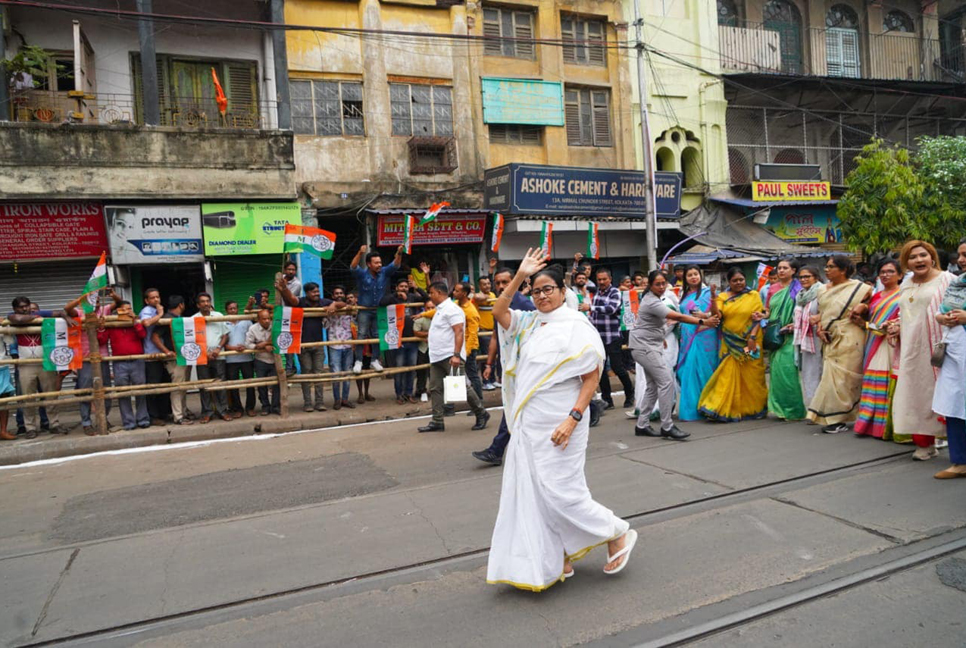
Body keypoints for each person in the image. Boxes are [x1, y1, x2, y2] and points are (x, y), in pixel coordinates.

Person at [486, 249, 637, 591]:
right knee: (536, 492)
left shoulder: (575, 326)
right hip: (529, 425)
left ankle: (617, 532)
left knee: (562, 491)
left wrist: (571, 420)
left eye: (547, 289)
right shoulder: (528, 323)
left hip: (564, 423)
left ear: (562, 291)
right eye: (535, 291)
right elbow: (498, 311)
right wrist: (522, 274)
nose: (541, 296)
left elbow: (591, 378)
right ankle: (559, 556)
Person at [631, 270, 717, 440]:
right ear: (650, 285)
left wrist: (660, 336)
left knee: (653, 386)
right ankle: (667, 426)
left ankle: (642, 424)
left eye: (664, 283)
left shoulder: (657, 298)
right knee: (666, 382)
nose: (662, 287)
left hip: (649, 345)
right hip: (644, 347)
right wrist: (703, 321)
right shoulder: (651, 301)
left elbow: (656, 324)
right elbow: (676, 316)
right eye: (657, 284)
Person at [890, 240, 953, 459]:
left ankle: (953, 445)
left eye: (923, 255)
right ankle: (924, 444)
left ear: (932, 257)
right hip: (911, 349)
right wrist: (896, 325)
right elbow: (905, 312)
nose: (918, 260)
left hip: (940, 349)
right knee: (914, 394)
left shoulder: (947, 280)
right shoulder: (906, 284)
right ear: (906, 263)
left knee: (941, 394)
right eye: (912, 257)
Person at [472, 267, 536, 466]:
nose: (501, 287)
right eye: (497, 283)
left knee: (516, 405)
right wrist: (489, 364)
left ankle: (497, 449)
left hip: (524, 366)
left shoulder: (524, 304)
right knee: (516, 405)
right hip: (507, 364)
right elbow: (494, 336)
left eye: (505, 282)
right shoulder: (500, 305)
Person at [806, 256, 873, 433]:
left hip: (850, 336)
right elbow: (823, 312)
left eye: (831, 267)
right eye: (826, 267)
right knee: (830, 376)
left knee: (845, 378)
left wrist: (863, 308)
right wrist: (820, 329)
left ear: (843, 270)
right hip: (829, 337)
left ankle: (837, 417)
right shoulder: (822, 290)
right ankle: (833, 416)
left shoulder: (860, 289)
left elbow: (872, 306)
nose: (826, 270)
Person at [416, 281, 490, 433]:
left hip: (450, 356)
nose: (430, 296)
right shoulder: (440, 310)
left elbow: (459, 332)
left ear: (439, 293)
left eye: (432, 293)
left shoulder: (452, 310)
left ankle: (481, 413)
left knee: (460, 386)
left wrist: (456, 355)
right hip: (437, 356)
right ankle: (437, 420)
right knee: (435, 388)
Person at [698, 268, 768, 422]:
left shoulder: (753, 295)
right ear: (729, 282)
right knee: (727, 374)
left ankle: (754, 409)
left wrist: (753, 337)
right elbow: (718, 316)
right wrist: (713, 297)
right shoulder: (723, 296)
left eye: (741, 280)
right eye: (735, 280)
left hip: (750, 343)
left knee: (751, 374)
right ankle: (718, 407)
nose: (739, 283)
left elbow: (757, 318)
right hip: (730, 343)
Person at [851, 260, 901, 439]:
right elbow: (868, 314)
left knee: (884, 384)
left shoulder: (903, 296)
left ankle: (884, 427)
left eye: (890, 271)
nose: (886, 275)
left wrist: (865, 325)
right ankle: (867, 424)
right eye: (882, 272)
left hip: (890, 344)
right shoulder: (876, 296)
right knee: (872, 383)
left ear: (900, 275)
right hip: (872, 342)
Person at [7, 296, 70, 437]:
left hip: (45, 361)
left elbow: (60, 312)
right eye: (21, 307)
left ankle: (54, 424)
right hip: (26, 364)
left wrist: (66, 317)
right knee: (28, 397)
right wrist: (36, 317)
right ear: (14, 309)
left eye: (26, 306)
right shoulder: (11, 316)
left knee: (50, 395)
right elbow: (17, 320)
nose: (24, 309)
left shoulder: (38, 314)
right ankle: (30, 428)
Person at [931, 238, 966, 478]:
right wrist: (941, 318)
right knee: (954, 402)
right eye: (960, 255)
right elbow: (942, 309)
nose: (961, 260)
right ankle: (960, 461)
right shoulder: (958, 283)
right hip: (955, 350)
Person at [279, 279, 341, 412]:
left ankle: (320, 402)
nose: (317, 294)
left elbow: (342, 303)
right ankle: (307, 402)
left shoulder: (322, 301)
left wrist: (333, 305)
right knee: (306, 374)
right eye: (314, 292)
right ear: (307, 293)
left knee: (318, 374)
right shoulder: (301, 302)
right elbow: (291, 300)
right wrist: (284, 288)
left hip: (318, 346)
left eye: (318, 291)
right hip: (303, 346)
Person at [65, 291, 120, 435]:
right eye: (92, 300)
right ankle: (86, 422)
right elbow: (67, 309)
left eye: (97, 300)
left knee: (106, 389)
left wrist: (113, 295)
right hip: (85, 359)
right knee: (85, 391)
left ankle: (103, 418)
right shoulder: (79, 312)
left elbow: (119, 304)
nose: (95, 302)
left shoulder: (104, 310)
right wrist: (81, 299)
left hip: (102, 357)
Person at [96, 301, 151, 431]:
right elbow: (102, 340)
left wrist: (135, 322)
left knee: (140, 391)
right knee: (122, 393)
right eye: (124, 310)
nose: (127, 312)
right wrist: (102, 327)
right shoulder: (113, 324)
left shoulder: (136, 322)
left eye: (129, 309)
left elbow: (142, 335)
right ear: (118, 312)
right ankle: (128, 422)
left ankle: (143, 420)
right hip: (119, 362)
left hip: (137, 360)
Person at [585, 269, 635, 410]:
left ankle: (630, 394)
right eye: (599, 279)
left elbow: (611, 309)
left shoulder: (615, 292)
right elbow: (593, 315)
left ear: (610, 279)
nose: (601, 282)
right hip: (598, 337)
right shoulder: (596, 294)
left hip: (612, 336)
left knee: (617, 367)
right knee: (600, 370)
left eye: (604, 279)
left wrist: (591, 307)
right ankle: (607, 400)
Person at [350, 244, 403, 374]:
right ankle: (359, 361)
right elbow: (353, 267)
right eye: (376, 263)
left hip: (378, 309)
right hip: (364, 309)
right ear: (369, 264)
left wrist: (399, 253)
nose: (379, 265)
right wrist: (359, 253)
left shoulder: (384, 272)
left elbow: (395, 265)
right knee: (361, 334)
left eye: (380, 262)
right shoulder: (363, 275)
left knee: (376, 335)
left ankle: (375, 360)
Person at [676, 266, 720, 421]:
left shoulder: (709, 293)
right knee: (687, 372)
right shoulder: (683, 294)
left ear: (700, 276)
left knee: (705, 369)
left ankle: (708, 406)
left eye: (696, 274)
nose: (693, 277)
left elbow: (718, 313)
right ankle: (693, 408)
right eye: (690, 275)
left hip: (705, 336)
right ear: (685, 278)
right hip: (688, 336)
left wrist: (705, 315)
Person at [765, 258, 806, 421]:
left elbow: (804, 310)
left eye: (785, 268)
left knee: (788, 372)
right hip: (775, 334)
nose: (781, 271)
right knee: (776, 373)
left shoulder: (799, 288)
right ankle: (780, 409)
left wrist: (794, 324)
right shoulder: (771, 288)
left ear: (793, 271)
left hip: (791, 335)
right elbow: (768, 310)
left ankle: (794, 410)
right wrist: (762, 315)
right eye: (779, 268)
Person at [152, 295, 193, 425]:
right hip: (175, 359)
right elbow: (155, 336)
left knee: (184, 386)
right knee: (177, 387)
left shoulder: (178, 318)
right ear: (181, 305)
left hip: (184, 356)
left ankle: (183, 411)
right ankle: (178, 416)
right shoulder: (167, 318)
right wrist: (166, 351)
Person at [381, 279, 421, 405]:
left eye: (405, 286)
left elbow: (425, 299)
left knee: (411, 369)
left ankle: (409, 393)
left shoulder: (412, 297)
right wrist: (396, 296)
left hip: (412, 339)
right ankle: (399, 394)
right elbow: (381, 303)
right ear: (396, 287)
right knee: (399, 369)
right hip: (397, 339)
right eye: (401, 286)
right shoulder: (393, 298)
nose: (404, 288)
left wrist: (417, 288)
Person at [792, 266, 826, 411]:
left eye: (807, 276)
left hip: (820, 337)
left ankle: (824, 408)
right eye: (801, 277)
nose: (804, 280)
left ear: (816, 278)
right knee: (809, 373)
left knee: (822, 372)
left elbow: (831, 311)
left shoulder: (822, 292)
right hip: (805, 340)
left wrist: (819, 319)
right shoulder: (800, 296)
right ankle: (814, 408)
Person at [193, 293, 232, 423]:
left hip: (218, 355)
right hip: (201, 357)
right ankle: (207, 412)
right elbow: (191, 340)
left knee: (220, 383)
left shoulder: (218, 316)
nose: (206, 304)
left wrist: (218, 348)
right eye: (202, 302)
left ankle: (223, 411)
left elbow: (225, 335)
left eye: (207, 301)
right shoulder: (194, 319)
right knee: (204, 385)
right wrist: (204, 352)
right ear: (198, 305)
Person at [139, 288, 171, 425]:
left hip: (161, 354)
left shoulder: (156, 310)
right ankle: (152, 416)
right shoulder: (147, 311)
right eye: (152, 298)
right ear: (147, 300)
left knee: (165, 384)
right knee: (153, 386)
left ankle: (163, 413)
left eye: (157, 297)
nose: (156, 300)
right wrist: (161, 313)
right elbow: (146, 323)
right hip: (150, 354)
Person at [324, 286, 355, 410]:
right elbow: (325, 325)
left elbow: (356, 324)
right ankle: (337, 399)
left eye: (341, 293)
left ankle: (345, 399)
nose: (339, 295)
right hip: (334, 345)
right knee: (336, 374)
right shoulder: (330, 308)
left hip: (348, 344)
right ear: (333, 296)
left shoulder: (350, 309)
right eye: (336, 293)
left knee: (347, 372)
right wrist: (328, 313)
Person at [223, 301, 256, 418]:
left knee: (250, 384)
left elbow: (251, 337)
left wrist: (245, 346)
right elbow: (222, 342)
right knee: (234, 386)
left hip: (246, 358)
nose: (233, 311)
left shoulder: (246, 320)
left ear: (238, 309)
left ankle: (250, 408)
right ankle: (238, 409)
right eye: (230, 309)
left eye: (235, 308)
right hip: (231, 360)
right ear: (226, 310)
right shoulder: (223, 322)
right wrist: (233, 348)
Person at [246, 308, 280, 415]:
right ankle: (265, 406)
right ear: (258, 320)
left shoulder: (275, 327)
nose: (267, 321)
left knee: (277, 384)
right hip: (260, 359)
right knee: (262, 385)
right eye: (264, 319)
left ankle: (276, 406)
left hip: (275, 359)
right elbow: (248, 344)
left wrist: (265, 344)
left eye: (268, 318)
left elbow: (281, 340)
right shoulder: (253, 329)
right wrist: (260, 346)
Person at [281, 261, 302, 376]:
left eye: (293, 270)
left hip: (292, 314)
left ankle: (298, 367)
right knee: (284, 340)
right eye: (289, 269)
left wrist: (283, 288)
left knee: (294, 340)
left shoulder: (297, 284)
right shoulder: (281, 279)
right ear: (285, 270)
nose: (291, 271)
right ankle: (290, 366)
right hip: (282, 314)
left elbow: (289, 299)